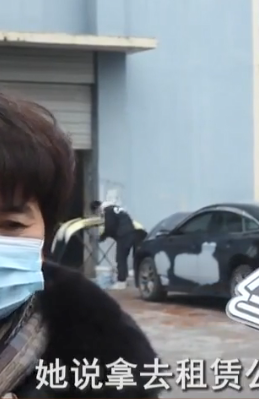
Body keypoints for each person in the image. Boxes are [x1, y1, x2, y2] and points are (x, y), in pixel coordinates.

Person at [0, 92, 158, 398]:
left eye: (12, 225)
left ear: (46, 235)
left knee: (121, 262)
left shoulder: (107, 354)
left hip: (126, 241)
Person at [91, 200, 138, 290]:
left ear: (97, 208)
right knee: (125, 257)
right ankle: (125, 278)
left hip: (124, 235)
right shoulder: (115, 208)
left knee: (120, 258)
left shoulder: (108, 211)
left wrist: (101, 237)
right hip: (131, 232)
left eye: (96, 213)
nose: (99, 215)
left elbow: (109, 227)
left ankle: (121, 282)